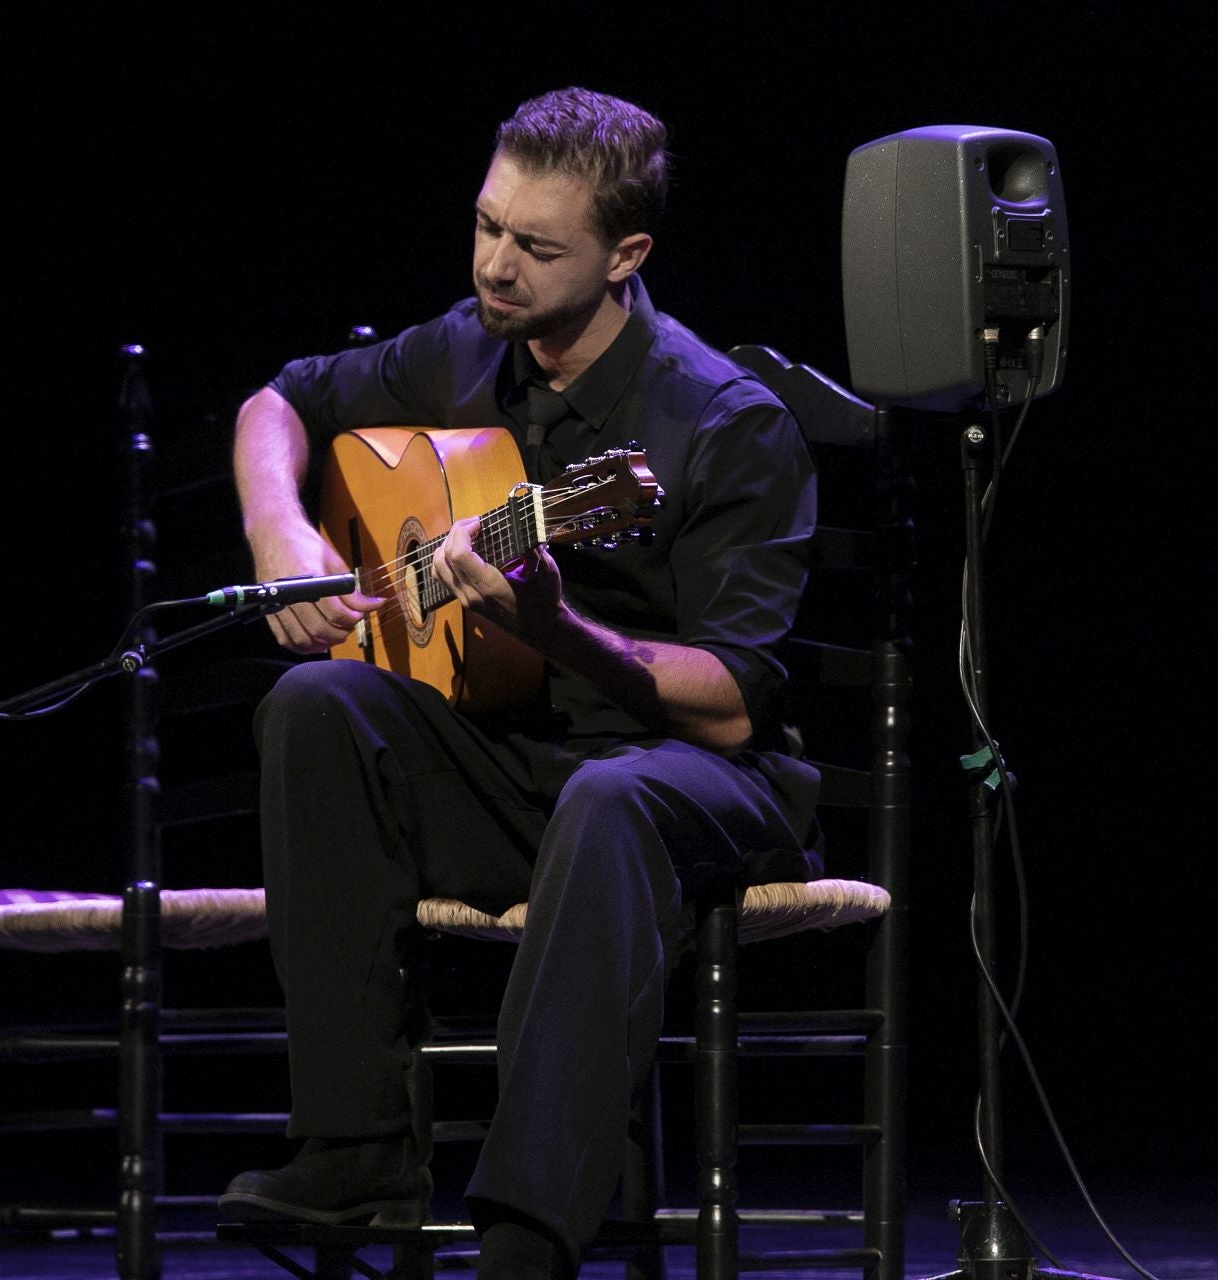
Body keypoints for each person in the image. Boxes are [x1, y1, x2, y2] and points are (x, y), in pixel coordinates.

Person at [219, 86, 821, 1279]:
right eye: (488, 225)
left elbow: (740, 699)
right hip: (514, 770)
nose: (495, 264)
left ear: (625, 256)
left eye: (535, 246)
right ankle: (355, 1154)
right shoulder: (464, 343)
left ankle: (524, 1235)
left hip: (694, 787)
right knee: (318, 705)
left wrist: (563, 633)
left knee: (613, 798)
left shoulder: (722, 423)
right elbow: (275, 401)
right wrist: (282, 539)